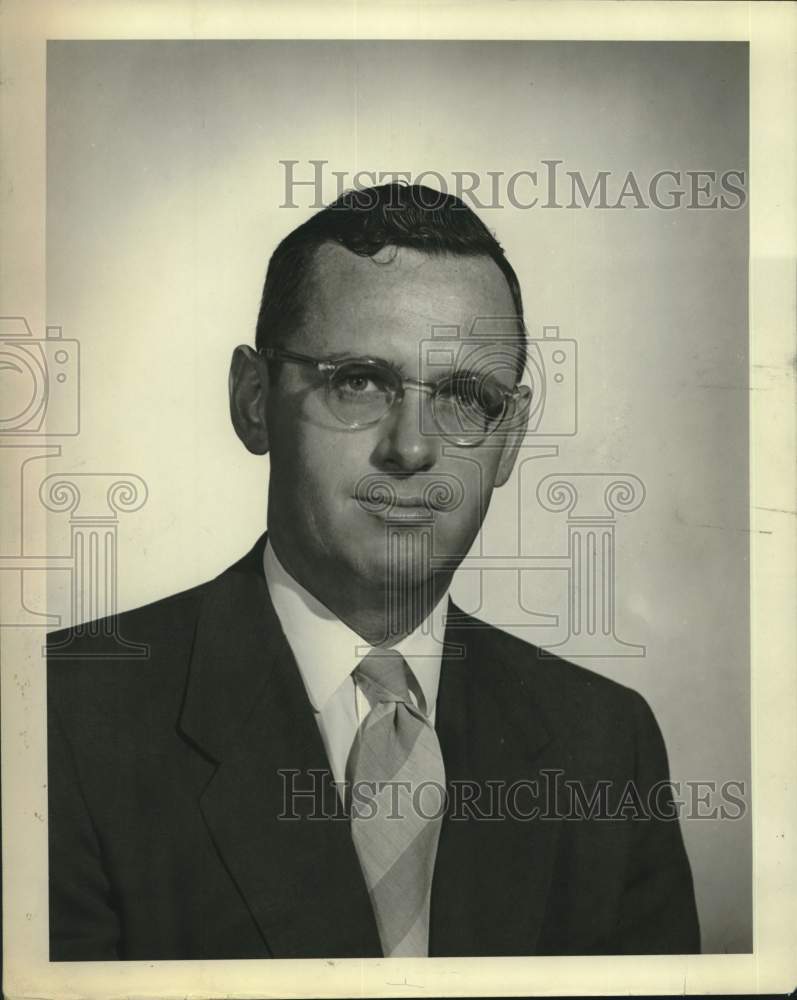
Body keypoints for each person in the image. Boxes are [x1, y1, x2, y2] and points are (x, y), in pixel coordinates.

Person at [47, 183, 700, 961]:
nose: (412, 449)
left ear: (509, 441)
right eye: (358, 381)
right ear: (254, 400)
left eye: (464, 396)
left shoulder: (604, 742)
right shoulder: (62, 719)